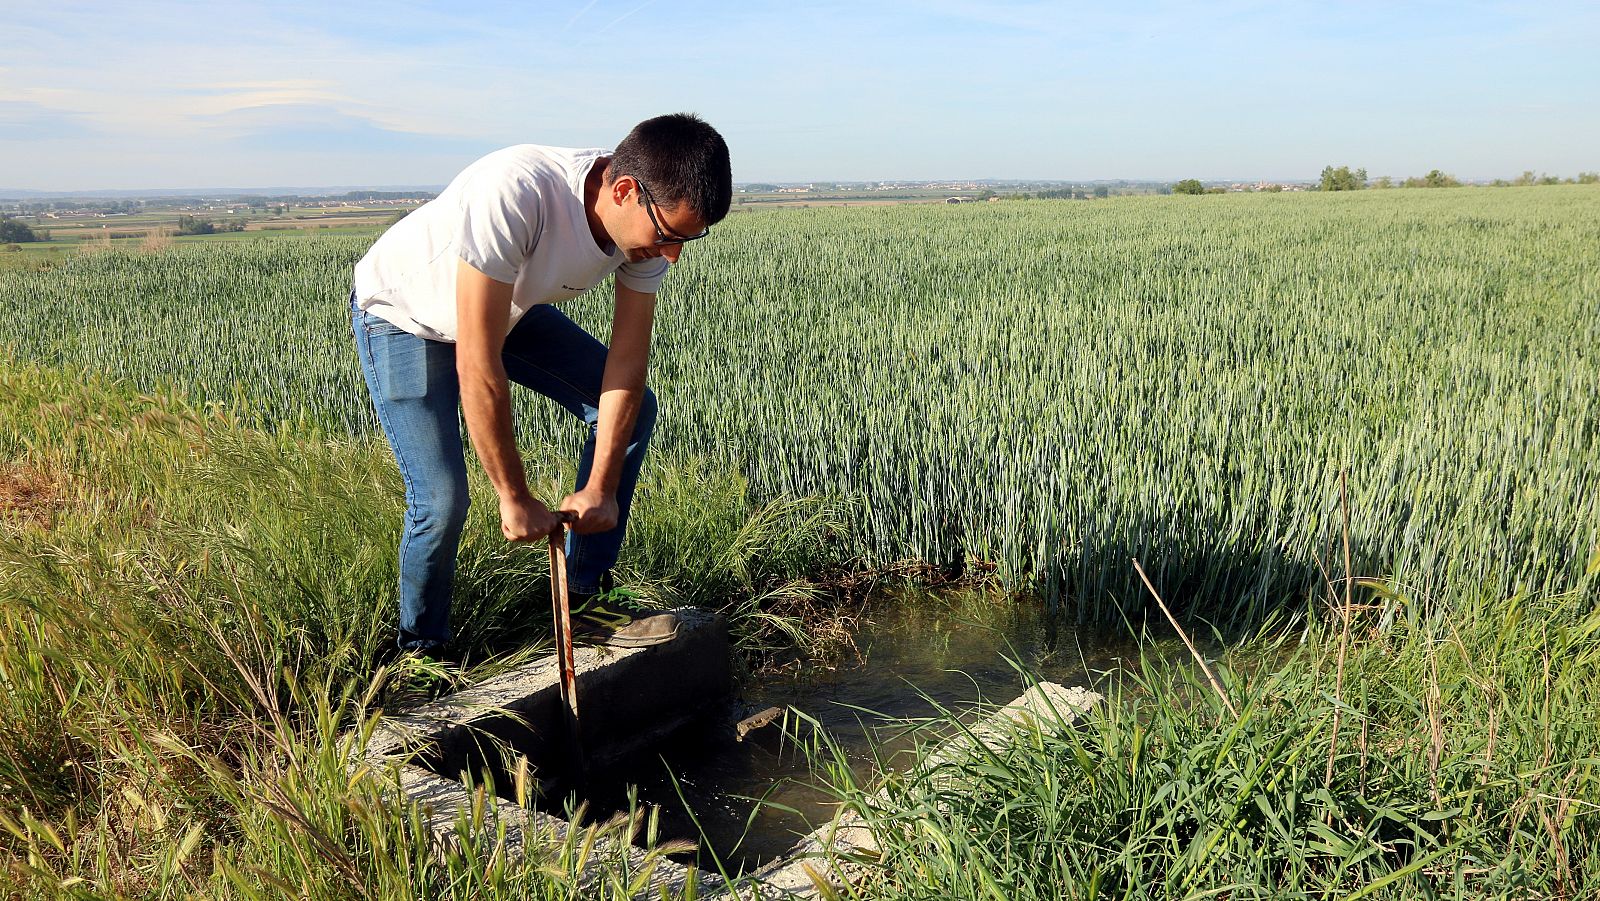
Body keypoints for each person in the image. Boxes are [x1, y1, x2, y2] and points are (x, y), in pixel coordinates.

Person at [350, 113, 732, 657]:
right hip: (405, 316)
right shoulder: (517, 192)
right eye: (669, 236)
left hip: (505, 308)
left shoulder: (644, 230)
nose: (672, 254)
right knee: (441, 498)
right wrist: (513, 496)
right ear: (624, 191)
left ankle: (583, 600)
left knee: (634, 410)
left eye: (688, 240)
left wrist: (601, 488)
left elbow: (625, 366)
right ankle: (421, 652)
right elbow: (478, 365)